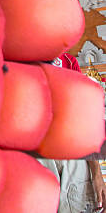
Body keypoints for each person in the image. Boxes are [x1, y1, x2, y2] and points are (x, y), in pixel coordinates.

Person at [37, 54, 106, 212]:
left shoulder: (69, 62)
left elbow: (84, 116)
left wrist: (97, 174)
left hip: (74, 154)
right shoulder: (19, 63)